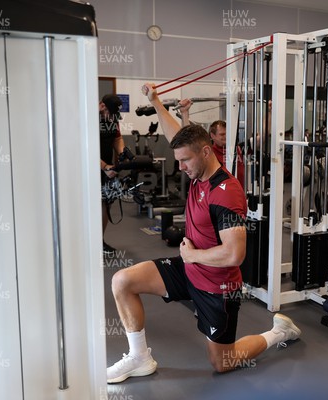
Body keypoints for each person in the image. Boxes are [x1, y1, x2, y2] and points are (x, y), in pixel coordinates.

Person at [105, 83, 301, 383]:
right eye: (179, 160)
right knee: (123, 281)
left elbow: (235, 254)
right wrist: (155, 100)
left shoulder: (226, 192)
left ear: (206, 152)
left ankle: (278, 332)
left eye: (185, 160)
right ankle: (139, 357)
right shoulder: (197, 166)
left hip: (216, 287)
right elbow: (178, 139)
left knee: (222, 362)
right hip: (190, 269)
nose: (180, 167)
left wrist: (193, 254)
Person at [177, 99, 245, 188]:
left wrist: (269, 112)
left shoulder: (238, 148)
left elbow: (261, 138)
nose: (226, 137)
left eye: (228, 133)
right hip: (219, 193)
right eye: (222, 134)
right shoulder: (209, 152)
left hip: (239, 190)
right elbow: (189, 142)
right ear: (212, 136)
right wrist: (185, 113)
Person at [99, 94, 125, 255]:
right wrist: (104, 166)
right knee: (96, 204)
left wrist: (123, 153)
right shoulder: (89, 120)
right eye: (111, 112)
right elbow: (86, 149)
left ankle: (99, 241)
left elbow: (118, 138)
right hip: (90, 169)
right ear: (102, 106)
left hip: (106, 169)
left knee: (106, 203)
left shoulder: (113, 119)